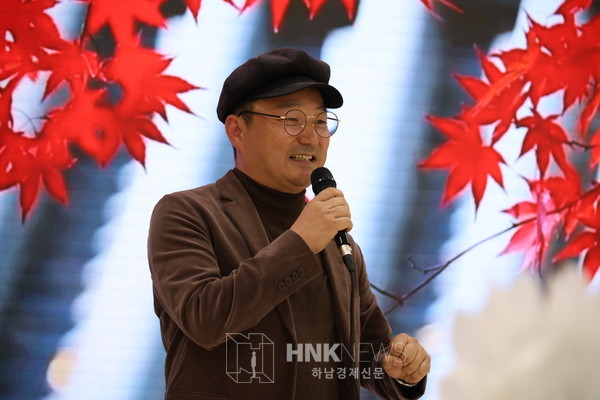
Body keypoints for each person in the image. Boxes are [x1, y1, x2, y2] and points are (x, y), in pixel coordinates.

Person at [147, 47, 430, 400]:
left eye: (321, 122)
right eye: (291, 119)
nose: (310, 137)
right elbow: (204, 319)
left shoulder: (336, 239)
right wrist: (300, 244)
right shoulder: (186, 213)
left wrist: (400, 368)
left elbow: (363, 356)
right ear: (237, 130)